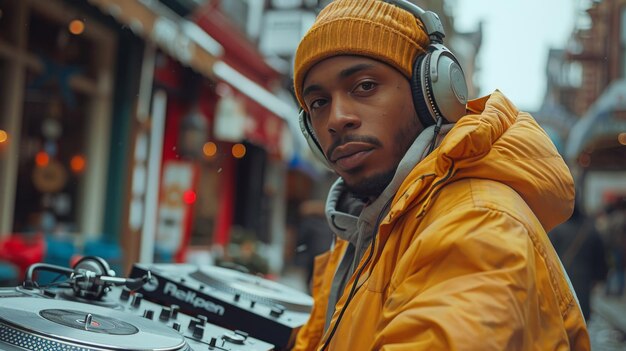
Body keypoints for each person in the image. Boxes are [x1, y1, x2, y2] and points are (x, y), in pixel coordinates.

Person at [290, 0, 590, 349]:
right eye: (318, 103)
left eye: (365, 86)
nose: (336, 119)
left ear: (431, 94)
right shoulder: (369, 226)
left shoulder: (478, 225)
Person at [548, 201, 608, 321]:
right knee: (580, 321)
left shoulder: (554, 230)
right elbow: (600, 259)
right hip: (583, 284)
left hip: (559, 285)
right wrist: (599, 277)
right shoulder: (591, 230)